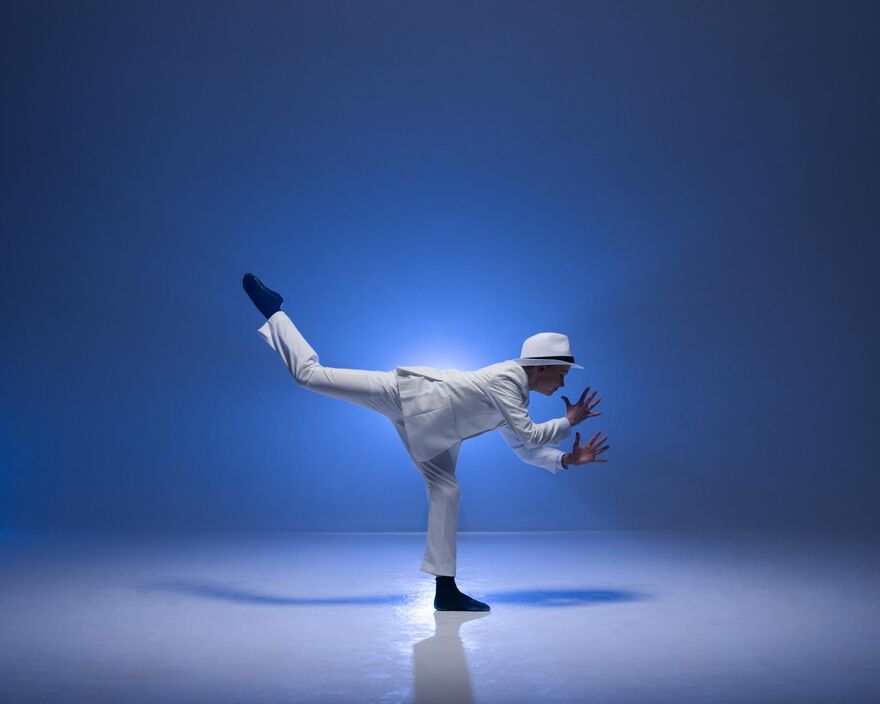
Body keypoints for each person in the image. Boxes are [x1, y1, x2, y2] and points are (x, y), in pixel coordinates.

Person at [242, 273, 609, 611]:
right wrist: (567, 422)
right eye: (561, 374)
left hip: (436, 432)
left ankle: (445, 590)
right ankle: (274, 312)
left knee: (447, 492)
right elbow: (529, 434)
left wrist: (564, 461)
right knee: (310, 376)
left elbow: (522, 448)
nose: (562, 384)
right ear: (541, 367)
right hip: (405, 394)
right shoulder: (509, 379)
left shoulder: (517, 398)